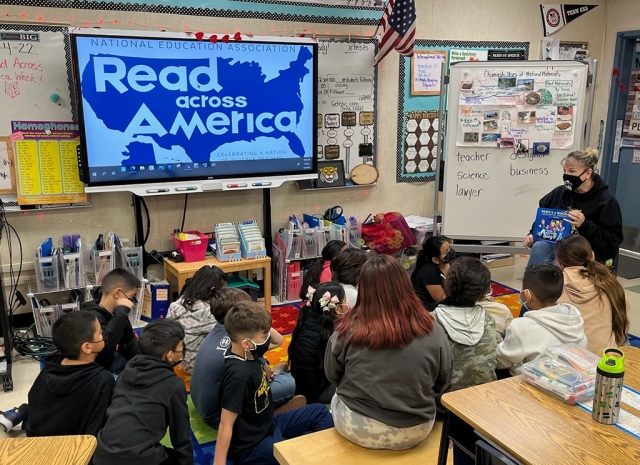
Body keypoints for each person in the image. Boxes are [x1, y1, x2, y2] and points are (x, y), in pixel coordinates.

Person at [325, 255, 452, 450]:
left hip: (357, 427)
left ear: (363, 288)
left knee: (336, 396)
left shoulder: (347, 328)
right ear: (405, 284)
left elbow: (333, 374)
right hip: (416, 429)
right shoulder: (432, 328)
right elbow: (442, 380)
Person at [214, 301, 334, 465]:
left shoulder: (247, 351)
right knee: (292, 456)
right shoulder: (237, 376)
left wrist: (261, 323)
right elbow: (225, 423)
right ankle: (301, 447)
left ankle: (301, 444)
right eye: (264, 337)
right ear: (246, 343)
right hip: (251, 447)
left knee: (320, 411)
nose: (267, 339)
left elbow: (277, 340)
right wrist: (218, 462)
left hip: (270, 424)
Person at [190, 288, 296, 429]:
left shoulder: (218, 332)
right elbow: (278, 341)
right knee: (290, 382)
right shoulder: (241, 344)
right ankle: (266, 414)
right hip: (220, 416)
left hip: (202, 404)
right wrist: (258, 321)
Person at [93, 319, 193, 465]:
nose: (183, 349)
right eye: (181, 345)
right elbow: (181, 436)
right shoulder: (173, 385)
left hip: (102, 454)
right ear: (169, 355)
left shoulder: (126, 371)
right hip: (140, 458)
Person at [0, 312, 114, 436]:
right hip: (72, 448)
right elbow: (96, 429)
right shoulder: (103, 380)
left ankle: (17, 413)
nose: (103, 334)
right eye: (100, 333)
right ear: (86, 347)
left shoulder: (48, 369)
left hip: (39, 438)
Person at [522, 148, 623, 269]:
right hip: (560, 246)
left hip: (588, 252)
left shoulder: (606, 201)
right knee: (539, 247)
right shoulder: (558, 193)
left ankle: (553, 283)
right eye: (565, 170)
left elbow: (612, 240)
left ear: (588, 173)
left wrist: (585, 225)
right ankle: (534, 285)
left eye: (572, 171)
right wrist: (532, 234)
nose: (567, 175)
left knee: (558, 266)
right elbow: (542, 221)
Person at [496, 264, 588, 376]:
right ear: (562, 291)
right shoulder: (574, 317)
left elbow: (501, 361)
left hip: (533, 383)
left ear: (526, 294)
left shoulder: (520, 326)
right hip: (570, 378)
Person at [433, 257, 501, 391]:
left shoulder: (432, 321)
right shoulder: (488, 319)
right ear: (483, 293)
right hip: (486, 395)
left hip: (446, 402)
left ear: (447, 284)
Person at [555, 235, 629, 353]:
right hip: (606, 360)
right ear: (592, 256)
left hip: (569, 361)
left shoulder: (554, 285)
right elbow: (621, 320)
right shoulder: (609, 282)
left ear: (560, 264)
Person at [289, 283, 347, 404]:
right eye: (345, 301)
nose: (347, 305)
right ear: (337, 309)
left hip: (299, 387)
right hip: (317, 394)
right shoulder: (331, 334)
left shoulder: (306, 319)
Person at [167, 264, 227, 374]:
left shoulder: (177, 304)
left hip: (182, 361)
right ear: (212, 290)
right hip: (199, 366)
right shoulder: (208, 312)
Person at [82, 268, 141, 375]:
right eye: (131, 297)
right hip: (95, 370)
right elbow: (104, 344)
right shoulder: (91, 317)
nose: (132, 302)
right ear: (118, 293)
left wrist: (144, 364)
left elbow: (129, 339)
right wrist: (122, 314)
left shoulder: (117, 313)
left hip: (111, 360)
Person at [411, 236, 455, 311]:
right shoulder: (429, 272)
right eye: (446, 252)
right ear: (435, 259)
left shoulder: (448, 263)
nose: (450, 252)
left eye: (449, 248)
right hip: (428, 308)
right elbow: (441, 298)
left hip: (443, 302)